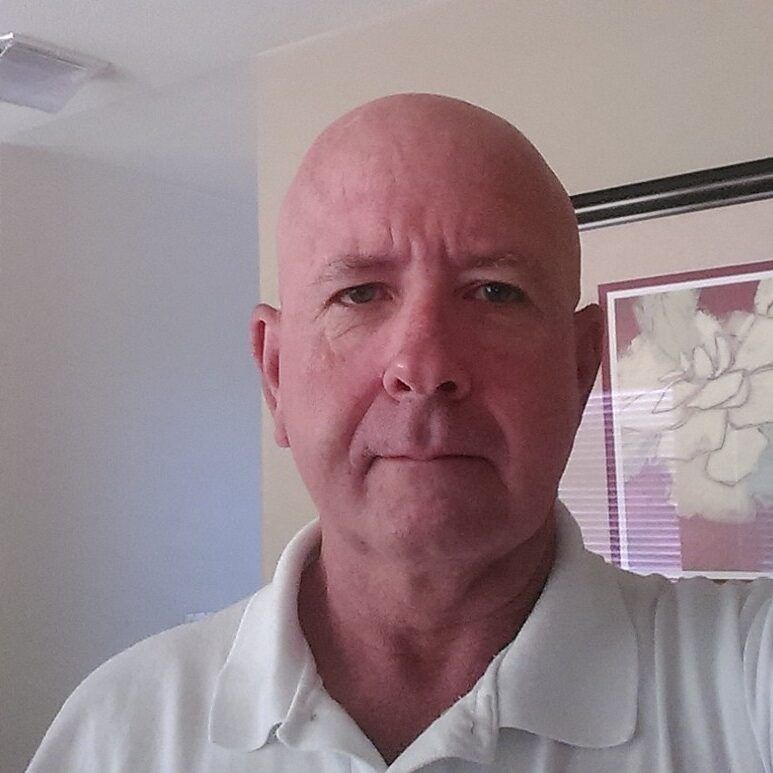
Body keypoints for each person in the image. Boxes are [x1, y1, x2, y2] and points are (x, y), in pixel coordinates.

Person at [27, 94, 773, 772]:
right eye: (358, 292)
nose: (423, 365)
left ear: (579, 370)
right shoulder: (118, 732)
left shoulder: (740, 679)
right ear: (276, 374)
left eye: (493, 291)